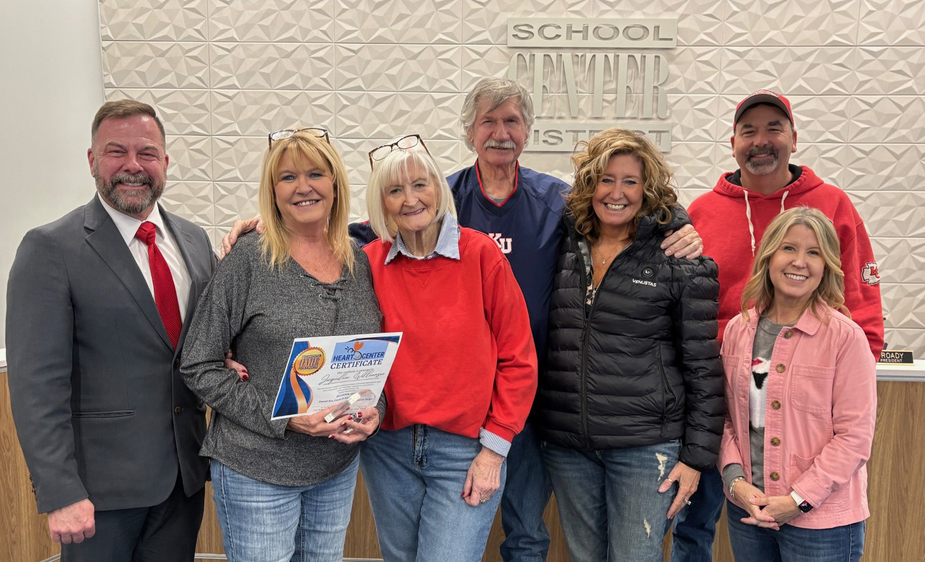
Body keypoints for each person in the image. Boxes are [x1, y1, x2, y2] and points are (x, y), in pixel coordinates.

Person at [220, 77, 704, 562]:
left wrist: (680, 225)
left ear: (528, 130)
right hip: (393, 436)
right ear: (469, 131)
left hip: (514, 410)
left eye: (511, 121)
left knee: (526, 531)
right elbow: (323, 255)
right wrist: (267, 226)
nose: (411, 197)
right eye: (488, 121)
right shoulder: (393, 237)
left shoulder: (550, 205)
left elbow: (619, 205)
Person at [673, 89, 885, 562]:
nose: (761, 141)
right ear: (733, 143)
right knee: (695, 526)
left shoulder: (832, 204)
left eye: (774, 129)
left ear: (794, 138)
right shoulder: (702, 212)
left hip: (808, 404)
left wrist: (849, 380)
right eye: (749, 131)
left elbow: (862, 298)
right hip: (717, 403)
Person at [5, 100, 217, 561]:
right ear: (92, 160)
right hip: (97, 495)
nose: (132, 165)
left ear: (165, 161)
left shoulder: (195, 241)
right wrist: (60, 490)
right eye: (116, 151)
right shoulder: (50, 248)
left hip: (183, 481)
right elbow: (36, 384)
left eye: (147, 153)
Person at [179, 128, 384, 562]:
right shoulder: (249, 258)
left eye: (315, 174)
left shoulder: (359, 260)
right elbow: (198, 364)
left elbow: (367, 356)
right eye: (288, 177)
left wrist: (374, 410)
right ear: (272, 192)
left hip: (335, 468)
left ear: (335, 184)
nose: (303, 187)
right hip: (258, 470)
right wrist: (286, 418)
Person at [536, 128, 724, 562]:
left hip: (645, 447)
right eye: (606, 179)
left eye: (630, 182)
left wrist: (696, 458)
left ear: (648, 189)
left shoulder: (679, 258)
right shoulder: (562, 244)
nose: (616, 193)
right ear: (589, 185)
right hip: (569, 444)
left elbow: (703, 366)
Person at [357, 135, 538, 562]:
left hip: (465, 449)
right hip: (388, 448)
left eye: (420, 184)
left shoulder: (482, 256)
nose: (410, 199)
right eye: (395, 190)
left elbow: (519, 360)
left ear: (439, 189)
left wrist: (493, 452)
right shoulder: (367, 263)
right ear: (382, 203)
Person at [719, 206, 876, 561]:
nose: (799, 262)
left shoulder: (845, 338)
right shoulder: (738, 331)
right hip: (749, 514)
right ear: (768, 256)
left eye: (814, 253)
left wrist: (797, 500)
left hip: (822, 525)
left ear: (827, 266)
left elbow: (854, 437)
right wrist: (736, 483)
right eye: (788, 248)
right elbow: (725, 419)